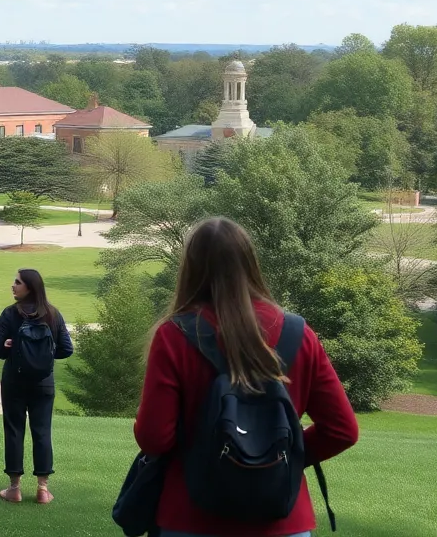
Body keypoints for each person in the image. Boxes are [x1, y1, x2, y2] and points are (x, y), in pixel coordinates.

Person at [135, 217, 359, 537]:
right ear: (249, 262)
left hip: (192, 516)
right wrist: (271, 457)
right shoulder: (299, 333)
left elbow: (154, 438)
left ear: (190, 268)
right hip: (282, 520)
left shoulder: (174, 335)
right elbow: (342, 430)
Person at [0, 268, 74, 504]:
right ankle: (43, 489)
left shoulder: (9, 314)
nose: (13, 286)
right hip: (43, 383)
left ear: (29, 287)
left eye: (17, 282)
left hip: (14, 382)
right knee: (42, 431)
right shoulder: (53, 314)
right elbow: (67, 349)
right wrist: (43, 356)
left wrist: (10, 347)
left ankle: (14, 488)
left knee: (14, 431)